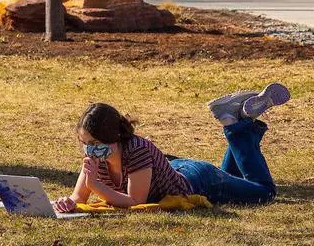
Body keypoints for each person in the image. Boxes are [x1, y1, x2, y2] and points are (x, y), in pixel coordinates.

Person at [54, 82, 290, 212]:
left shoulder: (135, 150)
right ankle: (238, 121)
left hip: (198, 180)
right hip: (174, 168)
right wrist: (69, 202)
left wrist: (95, 184)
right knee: (231, 176)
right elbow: (79, 196)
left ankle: (232, 124)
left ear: (113, 136)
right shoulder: (96, 159)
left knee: (264, 193)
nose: (89, 151)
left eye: (95, 144)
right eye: (85, 144)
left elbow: (135, 201)